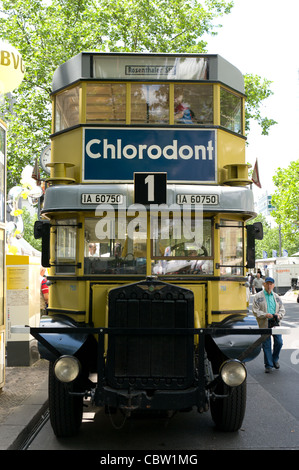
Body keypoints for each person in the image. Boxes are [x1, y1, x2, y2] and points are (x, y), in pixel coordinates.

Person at [252, 277, 285, 373]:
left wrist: (279, 315)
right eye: (267, 284)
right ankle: (268, 365)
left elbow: (282, 309)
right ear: (264, 284)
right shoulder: (258, 296)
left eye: (271, 284)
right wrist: (264, 315)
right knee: (266, 344)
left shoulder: (277, 297)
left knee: (279, 342)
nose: (269, 286)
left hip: (275, 322)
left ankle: (274, 360)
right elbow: (255, 311)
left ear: (273, 285)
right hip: (264, 322)